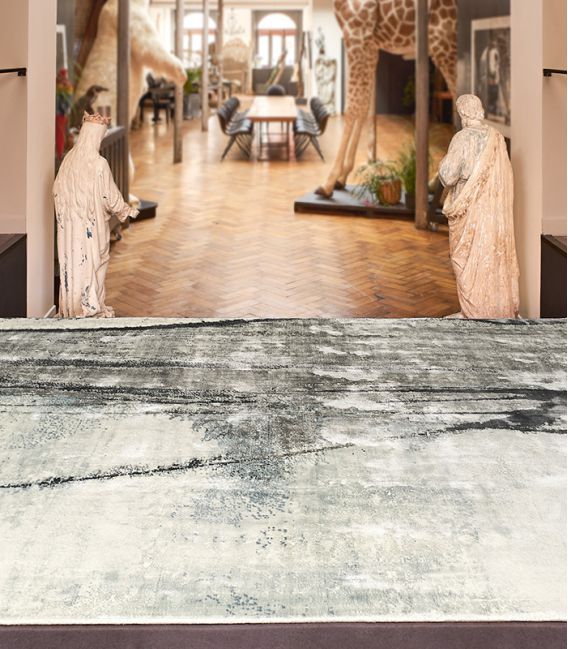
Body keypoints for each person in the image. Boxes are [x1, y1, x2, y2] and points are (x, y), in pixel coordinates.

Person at [438, 94, 519, 319]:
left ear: (463, 113)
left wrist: (441, 162)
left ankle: (472, 311)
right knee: (489, 256)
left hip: (468, 210)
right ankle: (492, 309)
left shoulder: (462, 138)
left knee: (466, 259)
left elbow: (448, 175)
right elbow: (505, 177)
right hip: (492, 211)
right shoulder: (496, 137)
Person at [53, 112, 139, 318]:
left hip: (69, 227)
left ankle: (71, 307)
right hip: (92, 226)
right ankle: (91, 306)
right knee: (97, 262)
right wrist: (126, 210)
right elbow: (110, 195)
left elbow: (56, 190)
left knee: (72, 263)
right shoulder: (99, 163)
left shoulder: (68, 160)